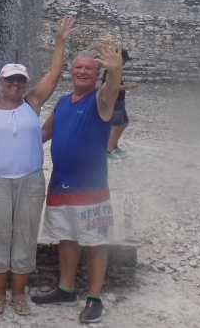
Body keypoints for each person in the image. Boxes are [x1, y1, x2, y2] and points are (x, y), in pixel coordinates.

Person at [0, 16, 76, 317]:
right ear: (1, 81)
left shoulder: (32, 102)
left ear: (25, 83)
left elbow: (54, 72)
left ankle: (19, 292)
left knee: (25, 234)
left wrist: (60, 40)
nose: (14, 84)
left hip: (30, 180)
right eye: (9, 79)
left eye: (19, 80)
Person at [31, 42, 124, 324]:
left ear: (96, 75)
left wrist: (115, 71)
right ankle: (66, 288)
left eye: (89, 68)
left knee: (95, 242)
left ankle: (94, 298)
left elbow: (111, 90)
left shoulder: (101, 99)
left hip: (90, 187)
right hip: (60, 184)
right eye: (78, 67)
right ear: (71, 72)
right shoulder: (61, 102)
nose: (83, 71)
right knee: (67, 238)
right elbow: (43, 132)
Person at [103, 50, 138, 159]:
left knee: (124, 123)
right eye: (124, 59)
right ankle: (109, 150)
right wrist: (128, 87)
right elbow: (111, 87)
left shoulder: (115, 70)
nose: (125, 62)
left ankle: (114, 145)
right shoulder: (110, 71)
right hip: (114, 102)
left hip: (119, 101)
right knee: (114, 126)